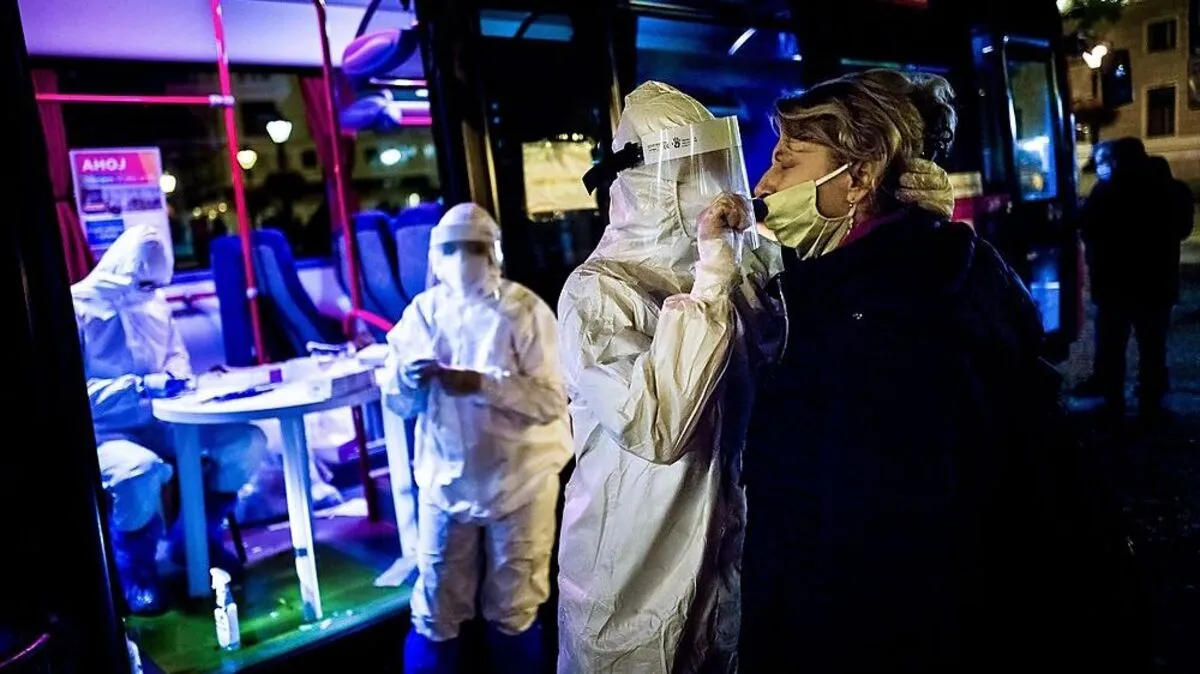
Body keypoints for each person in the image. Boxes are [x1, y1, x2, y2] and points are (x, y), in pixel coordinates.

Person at [738, 70, 1143, 672]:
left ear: (859, 176)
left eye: (786, 161)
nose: (764, 183)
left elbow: (883, 542)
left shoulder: (883, 318)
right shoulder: (912, 274)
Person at [387, 203, 571, 674]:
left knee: (515, 605)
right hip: (446, 479)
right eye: (450, 248)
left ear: (494, 252)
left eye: (472, 247)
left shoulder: (525, 311)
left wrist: (483, 383)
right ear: (435, 255)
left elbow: (553, 400)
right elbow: (399, 402)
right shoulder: (423, 313)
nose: (461, 259)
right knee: (436, 607)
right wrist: (406, 378)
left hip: (521, 478)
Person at [73, 225, 267, 616]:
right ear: (124, 270)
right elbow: (75, 396)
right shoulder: (74, 309)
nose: (153, 292)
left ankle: (196, 538)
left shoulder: (154, 303)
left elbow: (175, 354)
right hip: (106, 432)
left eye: (158, 285)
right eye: (147, 284)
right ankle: (136, 570)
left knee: (245, 441)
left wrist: (177, 376)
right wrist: (139, 387)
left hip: (163, 420)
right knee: (137, 472)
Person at [1078, 140, 1194, 420]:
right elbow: (1183, 229)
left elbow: (1087, 229)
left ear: (1117, 161)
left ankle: (1114, 405)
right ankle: (1150, 406)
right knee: (1152, 348)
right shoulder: (1173, 189)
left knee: (1113, 348)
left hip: (1114, 287)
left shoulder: (1105, 192)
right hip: (1157, 284)